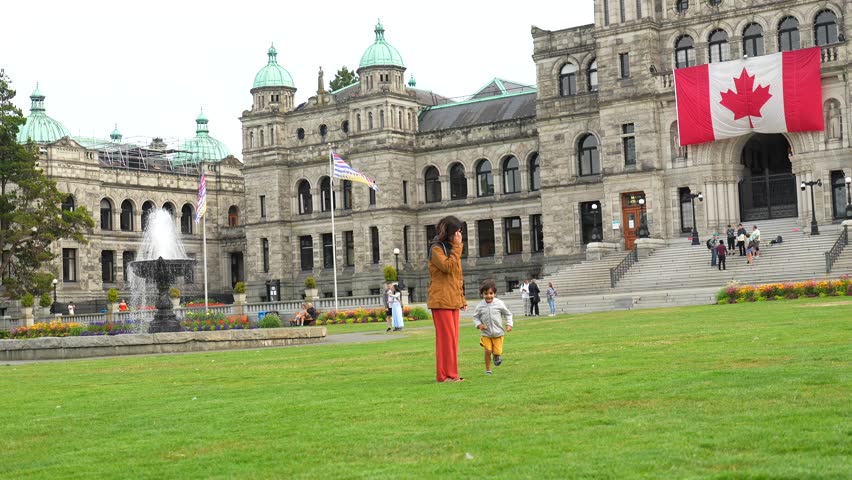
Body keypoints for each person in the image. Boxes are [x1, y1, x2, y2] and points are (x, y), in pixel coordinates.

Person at [427, 215, 467, 383]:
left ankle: (449, 374)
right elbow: (447, 268)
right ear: (449, 232)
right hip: (441, 300)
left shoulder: (452, 249)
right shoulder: (437, 249)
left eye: (460, 232)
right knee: (446, 341)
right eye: (456, 232)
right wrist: (457, 248)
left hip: (452, 300)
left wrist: (462, 298)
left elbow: (457, 277)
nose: (459, 236)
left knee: (453, 340)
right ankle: (447, 375)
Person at [472, 279, 513, 375]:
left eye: (491, 293)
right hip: (486, 333)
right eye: (486, 293)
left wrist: (509, 324)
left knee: (497, 351)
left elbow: (508, 314)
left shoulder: (499, 303)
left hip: (498, 333)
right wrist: (479, 325)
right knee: (488, 351)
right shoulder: (480, 306)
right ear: (482, 294)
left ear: (494, 294)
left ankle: (496, 356)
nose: (489, 296)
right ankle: (488, 370)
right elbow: (475, 317)